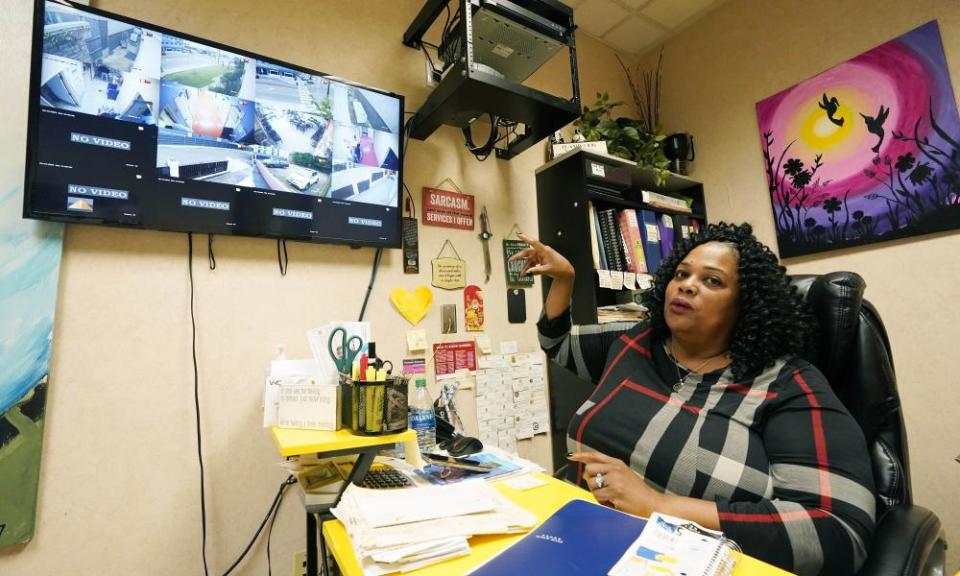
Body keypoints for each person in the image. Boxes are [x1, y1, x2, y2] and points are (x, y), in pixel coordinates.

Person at [511, 222, 875, 576]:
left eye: (711, 280)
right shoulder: (637, 341)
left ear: (746, 304)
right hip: (583, 543)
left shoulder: (788, 385)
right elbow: (556, 342)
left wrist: (659, 506)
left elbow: (839, 533)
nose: (686, 287)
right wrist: (565, 278)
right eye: (681, 274)